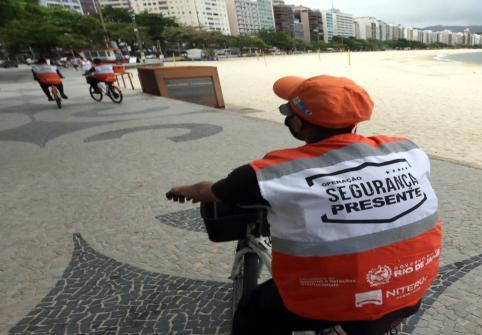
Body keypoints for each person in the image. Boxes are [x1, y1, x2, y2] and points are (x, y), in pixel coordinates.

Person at [165, 75, 442, 335]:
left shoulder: (272, 172)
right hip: (410, 291)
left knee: (253, 311)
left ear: (297, 125)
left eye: (288, 112)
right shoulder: (407, 150)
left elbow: (213, 192)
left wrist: (185, 191)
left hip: (324, 305)